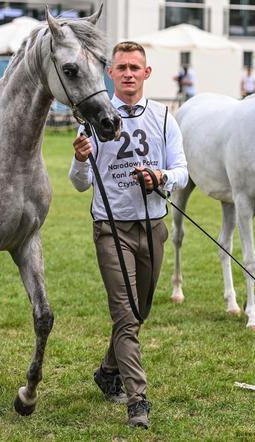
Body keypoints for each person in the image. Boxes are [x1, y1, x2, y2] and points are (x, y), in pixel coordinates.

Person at [69, 41, 189, 429]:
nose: (128, 73)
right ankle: (137, 400)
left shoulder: (164, 118)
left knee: (140, 312)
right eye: (121, 67)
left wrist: (161, 177)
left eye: (135, 67)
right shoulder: (91, 120)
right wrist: (80, 159)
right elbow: (79, 184)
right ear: (110, 74)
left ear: (147, 73)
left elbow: (182, 171)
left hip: (153, 225)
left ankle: (107, 370)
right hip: (111, 228)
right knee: (126, 314)